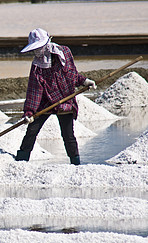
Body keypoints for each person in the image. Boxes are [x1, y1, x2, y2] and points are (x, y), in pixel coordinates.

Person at [15, 28, 97, 165]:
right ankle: (21, 162)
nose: (37, 52)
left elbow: (72, 74)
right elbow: (34, 91)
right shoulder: (37, 65)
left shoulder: (64, 53)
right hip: (45, 102)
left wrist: (84, 81)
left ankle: (75, 163)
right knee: (31, 131)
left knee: (68, 135)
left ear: (47, 43)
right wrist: (29, 112)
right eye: (34, 49)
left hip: (65, 98)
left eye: (39, 48)